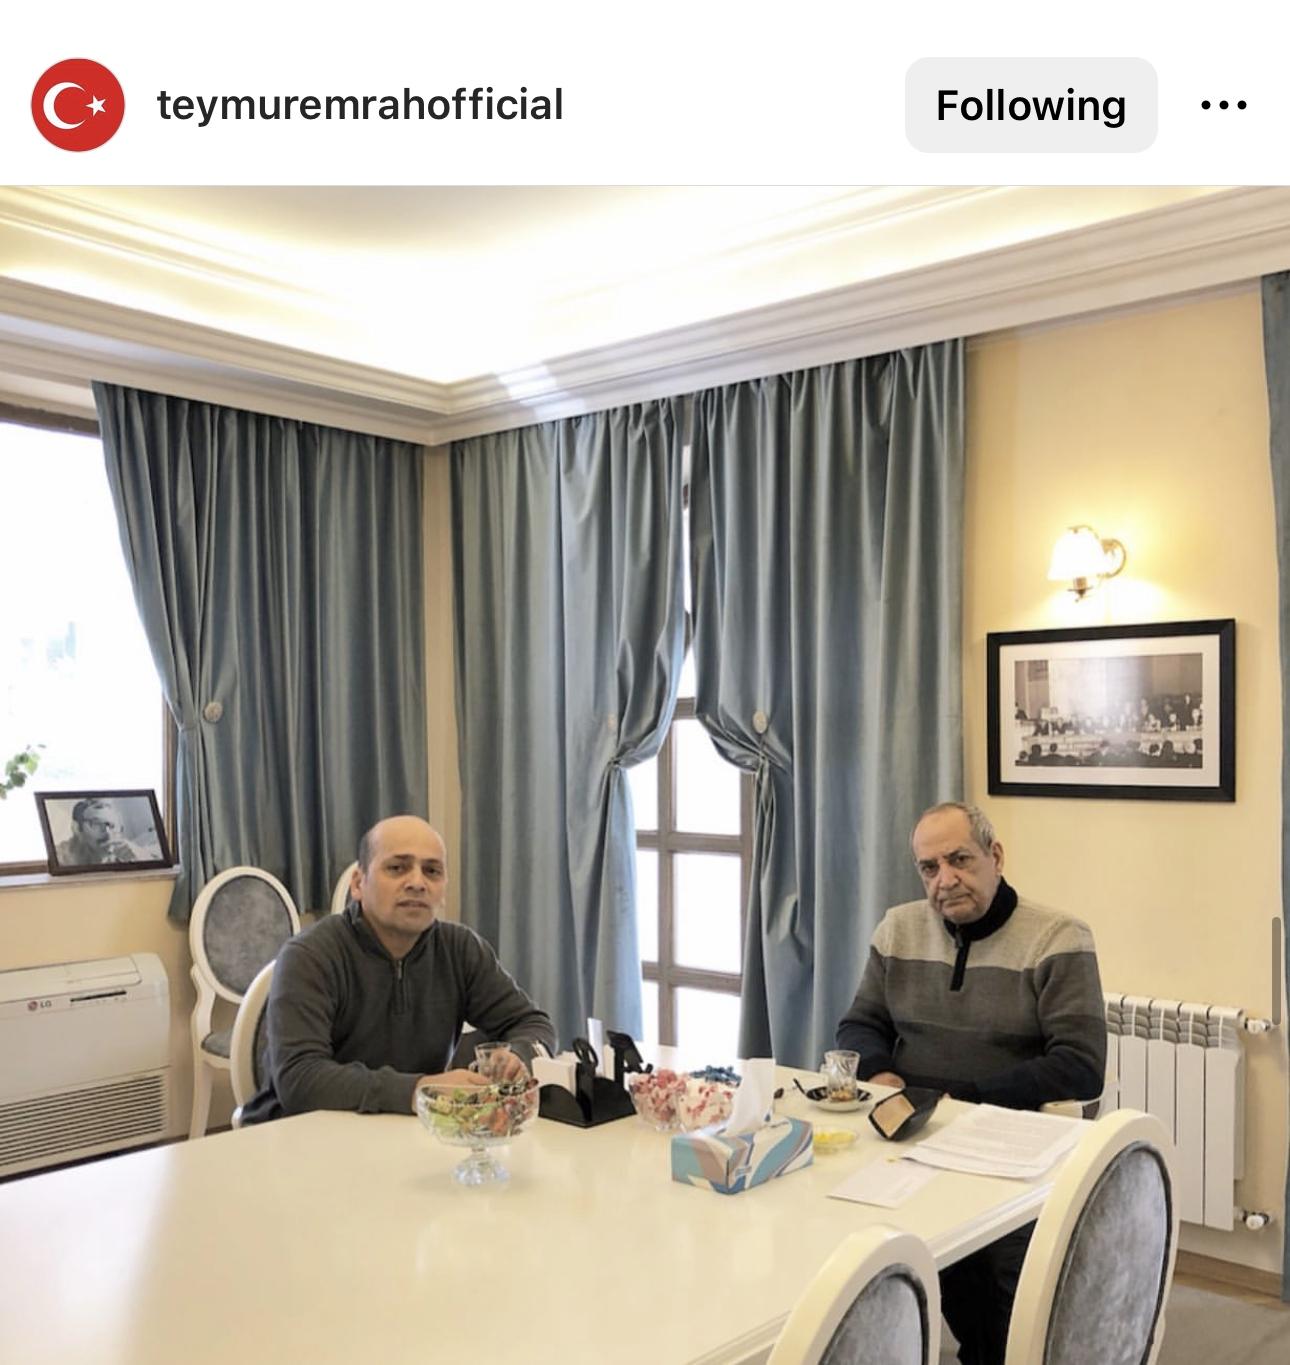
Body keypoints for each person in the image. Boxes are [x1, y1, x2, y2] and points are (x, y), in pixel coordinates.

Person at [835, 802, 1105, 1365]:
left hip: (1012, 1152)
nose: (945, 879)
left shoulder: (1058, 937)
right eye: (929, 868)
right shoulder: (898, 929)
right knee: (855, 1254)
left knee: (1009, 1315)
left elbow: (1081, 1064)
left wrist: (967, 1102)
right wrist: (883, 1077)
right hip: (913, 1140)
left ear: (995, 856)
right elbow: (860, 1024)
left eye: (959, 860)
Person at [239, 815, 556, 1124]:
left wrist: (519, 1056)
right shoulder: (310, 955)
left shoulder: (460, 949)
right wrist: (421, 1089)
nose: (417, 883)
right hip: (302, 1137)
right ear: (359, 883)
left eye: (432, 871)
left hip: (405, 1133)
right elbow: (300, 1080)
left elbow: (531, 1023)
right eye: (397, 868)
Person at [56, 797, 149, 866]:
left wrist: (140, 859)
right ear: (77, 828)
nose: (108, 833)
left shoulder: (125, 852)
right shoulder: (60, 857)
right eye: (97, 824)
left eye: (112, 826)